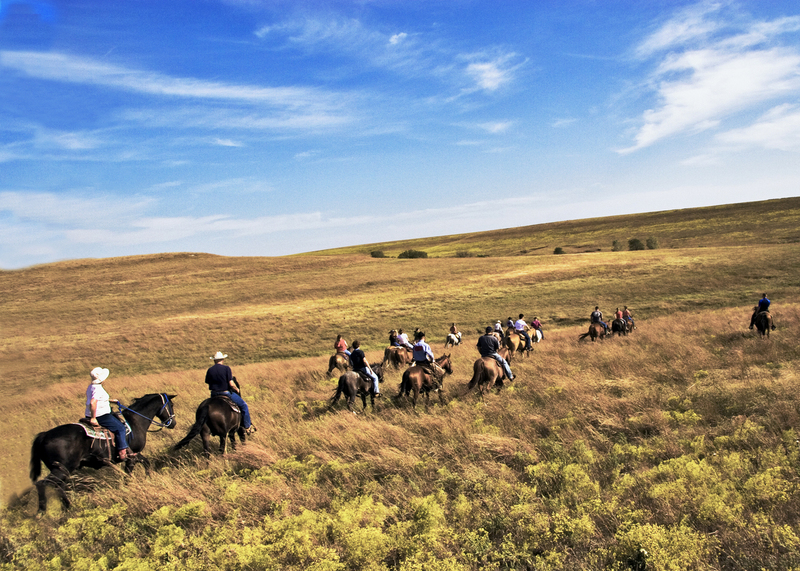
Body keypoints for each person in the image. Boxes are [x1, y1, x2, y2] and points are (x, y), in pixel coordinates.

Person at [85, 367, 133, 461]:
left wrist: (110, 400)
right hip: (101, 415)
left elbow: (97, 399)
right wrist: (93, 418)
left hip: (89, 414)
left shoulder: (91, 386)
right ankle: (122, 452)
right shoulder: (98, 388)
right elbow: (93, 402)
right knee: (121, 428)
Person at [206, 351, 255, 433]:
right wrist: (236, 389)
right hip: (225, 393)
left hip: (213, 394)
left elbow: (208, 381)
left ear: (214, 360)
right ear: (222, 359)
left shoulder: (210, 370)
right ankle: (247, 427)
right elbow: (231, 384)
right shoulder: (226, 368)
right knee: (244, 406)